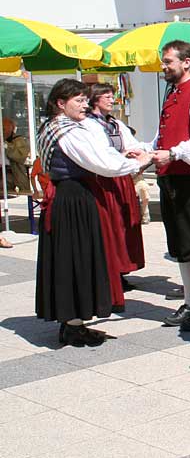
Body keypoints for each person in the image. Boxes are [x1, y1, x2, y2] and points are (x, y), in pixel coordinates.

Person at [36, 79, 152, 346]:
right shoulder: (67, 131)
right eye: (77, 100)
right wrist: (139, 162)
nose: (84, 104)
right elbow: (101, 162)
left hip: (69, 197)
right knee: (77, 258)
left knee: (71, 258)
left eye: (84, 99)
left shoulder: (55, 127)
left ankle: (72, 321)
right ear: (60, 103)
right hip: (74, 199)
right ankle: (73, 325)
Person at [145, 41, 190, 332]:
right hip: (172, 176)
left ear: (186, 62)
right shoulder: (174, 93)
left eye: (168, 62)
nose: (164, 67)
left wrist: (173, 153)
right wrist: (146, 152)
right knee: (179, 244)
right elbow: (161, 137)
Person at [83, 83, 145, 305]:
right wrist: (122, 153)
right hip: (103, 179)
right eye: (106, 96)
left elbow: (132, 143)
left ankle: (121, 269)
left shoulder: (115, 123)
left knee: (125, 223)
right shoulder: (89, 124)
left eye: (112, 96)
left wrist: (138, 151)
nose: (111, 99)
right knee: (110, 225)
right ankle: (111, 271)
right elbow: (100, 153)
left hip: (122, 178)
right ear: (95, 99)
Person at [3, 117, 30, 195]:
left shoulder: (18, 140)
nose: (3, 131)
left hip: (13, 172)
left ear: (12, 129)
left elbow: (21, 156)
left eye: (4, 129)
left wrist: (6, 146)